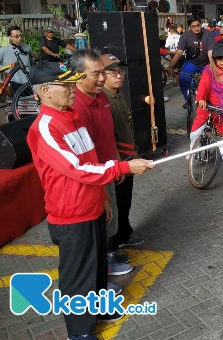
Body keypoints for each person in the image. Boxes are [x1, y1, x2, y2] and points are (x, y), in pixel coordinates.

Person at [26, 61, 154, 340]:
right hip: (71, 216)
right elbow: (77, 168)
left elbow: (90, 158)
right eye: (66, 85)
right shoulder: (46, 128)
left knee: (96, 269)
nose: (73, 89)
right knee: (77, 277)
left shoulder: (72, 116)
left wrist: (103, 199)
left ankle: (97, 309)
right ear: (46, 91)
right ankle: (79, 332)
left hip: (92, 207)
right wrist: (124, 168)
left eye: (73, 82)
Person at [70, 49, 135, 279]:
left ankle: (109, 254)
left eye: (102, 73)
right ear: (78, 75)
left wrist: (116, 161)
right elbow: (83, 157)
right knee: (103, 219)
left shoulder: (103, 97)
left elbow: (107, 136)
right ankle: (105, 263)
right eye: (96, 74)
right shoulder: (76, 108)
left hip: (110, 168)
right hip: (96, 176)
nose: (102, 79)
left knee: (113, 214)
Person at [101, 53, 146, 257]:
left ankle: (124, 233)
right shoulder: (102, 100)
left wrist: (134, 150)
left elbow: (125, 127)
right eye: (113, 72)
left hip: (127, 158)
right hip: (115, 163)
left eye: (121, 72)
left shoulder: (118, 95)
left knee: (125, 200)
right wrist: (117, 162)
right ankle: (112, 247)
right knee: (115, 204)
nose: (119, 76)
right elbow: (105, 137)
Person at [188, 42, 223, 148]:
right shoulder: (209, 70)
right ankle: (192, 154)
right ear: (214, 59)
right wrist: (201, 98)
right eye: (219, 58)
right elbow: (203, 86)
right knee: (195, 133)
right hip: (209, 106)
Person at [166, 17, 215, 105]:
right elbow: (179, 53)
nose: (196, 28)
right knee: (182, 79)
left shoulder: (209, 34)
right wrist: (170, 67)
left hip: (206, 63)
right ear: (189, 27)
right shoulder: (185, 36)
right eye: (193, 26)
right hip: (192, 62)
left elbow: (210, 53)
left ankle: (209, 100)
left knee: (211, 81)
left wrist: (212, 67)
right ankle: (187, 99)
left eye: (198, 25)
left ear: (201, 25)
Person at [0, 26, 32, 93]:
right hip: (16, 81)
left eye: (21, 35)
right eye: (16, 36)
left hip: (29, 80)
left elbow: (29, 60)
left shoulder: (27, 47)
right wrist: (5, 68)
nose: (20, 38)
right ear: (10, 37)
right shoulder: (4, 50)